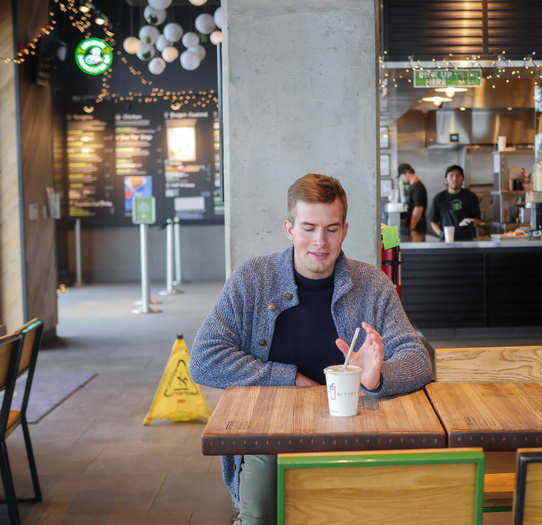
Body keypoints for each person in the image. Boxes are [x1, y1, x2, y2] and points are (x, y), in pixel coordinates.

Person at [190, 173, 432, 525]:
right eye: (308, 228)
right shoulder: (253, 279)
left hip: (356, 434)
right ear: (289, 229)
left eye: (331, 229)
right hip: (268, 436)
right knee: (259, 518)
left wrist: (378, 376)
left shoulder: (371, 284)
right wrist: (289, 379)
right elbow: (204, 360)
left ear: (344, 230)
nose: (320, 241)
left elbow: (417, 359)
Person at [428, 165, 482, 241]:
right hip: (446, 241)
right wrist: (441, 234)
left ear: (462, 179)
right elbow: (433, 221)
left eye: (458, 176)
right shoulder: (439, 198)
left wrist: (471, 222)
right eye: (451, 176)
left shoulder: (471, 196)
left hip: (467, 241)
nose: (455, 178)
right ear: (446, 180)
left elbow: (478, 219)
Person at [398, 163, 427, 242]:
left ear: (406, 172)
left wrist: (412, 227)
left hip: (417, 227)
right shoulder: (412, 186)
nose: (402, 180)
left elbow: (418, 208)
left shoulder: (417, 187)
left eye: (401, 177)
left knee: (416, 252)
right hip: (414, 227)